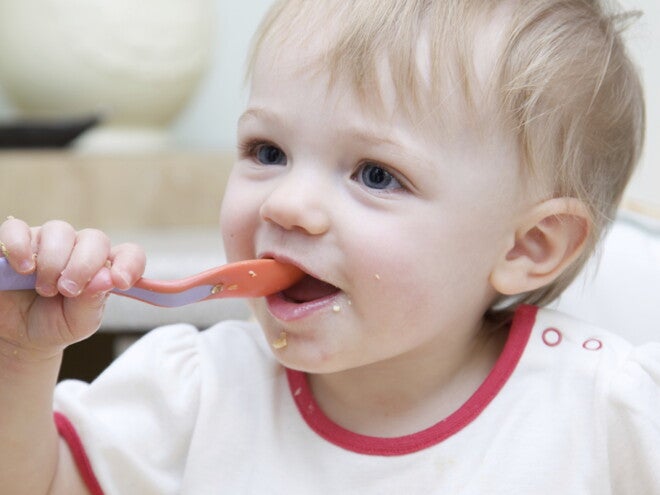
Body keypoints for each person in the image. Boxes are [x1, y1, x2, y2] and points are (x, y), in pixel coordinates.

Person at [0, 0, 655, 493]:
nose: (285, 203)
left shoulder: (604, 410)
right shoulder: (196, 391)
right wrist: (19, 361)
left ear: (529, 245)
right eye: (268, 151)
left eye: (375, 174)